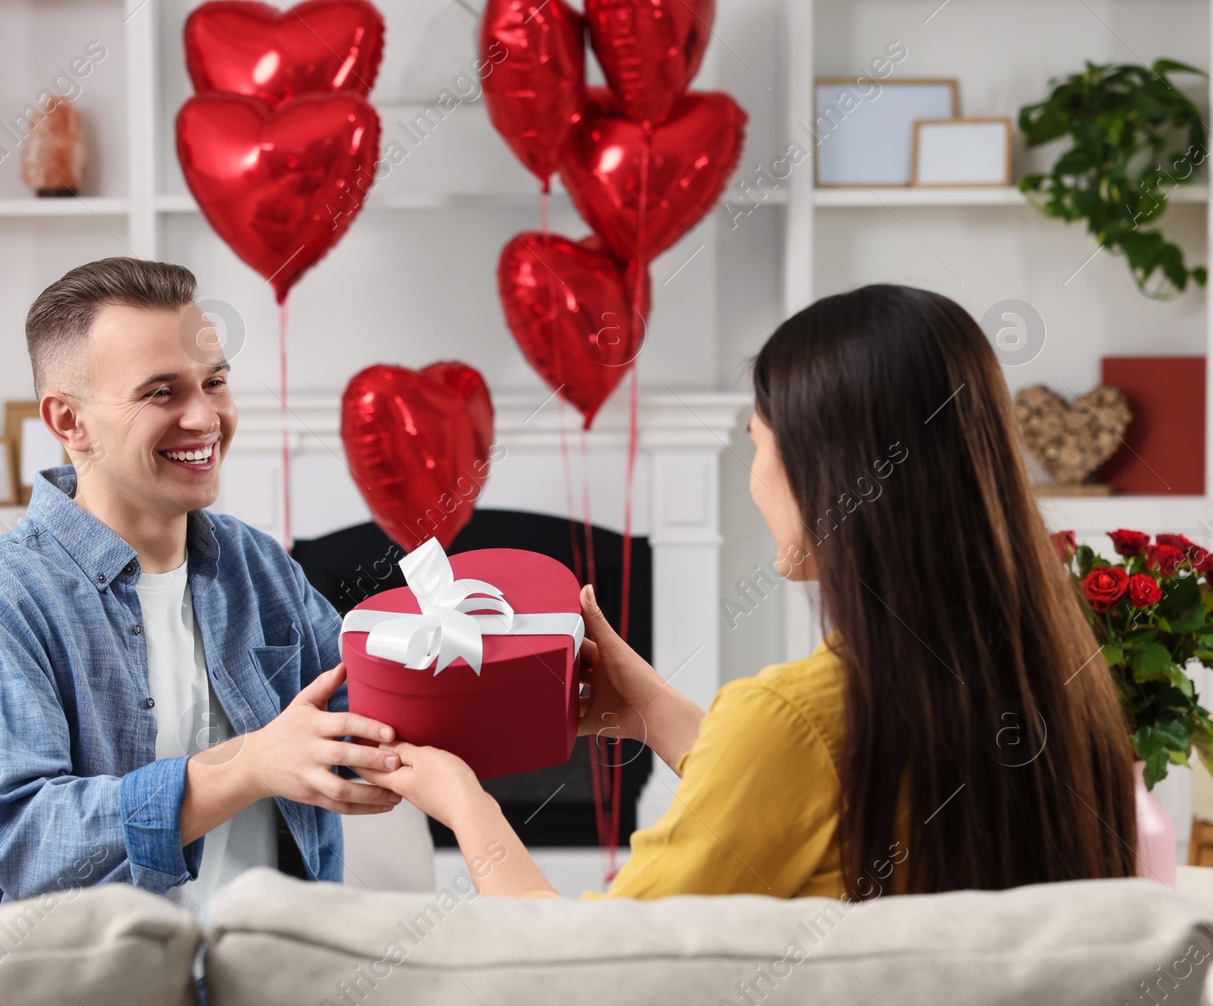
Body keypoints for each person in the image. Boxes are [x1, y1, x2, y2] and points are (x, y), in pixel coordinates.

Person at [362, 284, 1138, 901]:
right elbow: (815, 802)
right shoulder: (1059, 683)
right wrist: (653, 712)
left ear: (825, 475)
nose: (755, 478)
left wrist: (465, 804)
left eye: (758, 446)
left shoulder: (791, 720)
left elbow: (585, 973)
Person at [0, 257, 404, 925]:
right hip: (99, 990)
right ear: (69, 422)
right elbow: (25, 839)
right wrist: (250, 763)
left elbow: (367, 707)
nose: (205, 417)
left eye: (214, 382)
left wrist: (531, 691)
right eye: (161, 392)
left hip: (279, 964)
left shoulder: (254, 562)